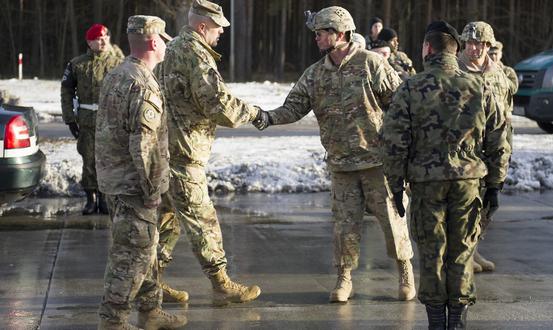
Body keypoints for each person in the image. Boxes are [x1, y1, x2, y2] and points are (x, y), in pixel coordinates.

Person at [254, 6, 416, 303]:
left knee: (392, 220)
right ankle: (344, 278)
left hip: (377, 162)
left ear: (340, 34)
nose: (316, 38)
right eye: (315, 33)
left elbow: (400, 102)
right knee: (344, 225)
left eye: (321, 33)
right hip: (341, 164)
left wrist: (400, 147)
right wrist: (266, 117)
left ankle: (405, 271)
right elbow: (294, 107)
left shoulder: (371, 64)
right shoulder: (315, 74)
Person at [382, 20, 511, 329]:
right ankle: (457, 322)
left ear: (428, 49)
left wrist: (396, 185)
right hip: (468, 185)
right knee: (462, 254)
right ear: (456, 50)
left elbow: (393, 140)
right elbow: (498, 139)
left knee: (432, 254)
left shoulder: (411, 87)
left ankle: (437, 322)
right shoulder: (480, 86)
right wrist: (494, 185)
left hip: (427, 186)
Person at [155, 0, 262, 306]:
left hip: (165, 151)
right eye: (217, 29)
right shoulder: (196, 54)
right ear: (202, 27)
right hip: (185, 155)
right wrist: (253, 113)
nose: (220, 34)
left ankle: (151, 283)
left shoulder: (172, 48)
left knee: (167, 220)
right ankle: (221, 283)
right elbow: (218, 104)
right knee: (203, 221)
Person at [95, 15, 187, 330]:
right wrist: (151, 192)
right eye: (163, 39)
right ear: (152, 42)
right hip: (134, 186)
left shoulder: (117, 73)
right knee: (130, 256)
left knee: (146, 248)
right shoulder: (142, 83)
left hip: (115, 179)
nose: (165, 45)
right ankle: (113, 320)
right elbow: (144, 147)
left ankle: (151, 311)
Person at [458, 21, 515, 273]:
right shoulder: (456, 72)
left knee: (488, 206)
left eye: (480, 43)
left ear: (488, 45)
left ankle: (473, 249)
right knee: (465, 209)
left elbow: (504, 116)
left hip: (495, 150)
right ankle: (464, 255)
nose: (474, 48)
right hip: (465, 154)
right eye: (470, 43)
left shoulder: (498, 74)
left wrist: (501, 162)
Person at [61, 23, 124, 215]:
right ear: (89, 42)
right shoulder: (77, 64)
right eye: (98, 38)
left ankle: (105, 199)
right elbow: (66, 91)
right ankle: (91, 199)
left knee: (108, 161)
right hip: (87, 121)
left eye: (105, 36)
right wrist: (70, 119)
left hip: (111, 121)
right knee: (89, 160)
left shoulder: (118, 63)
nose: (103, 40)